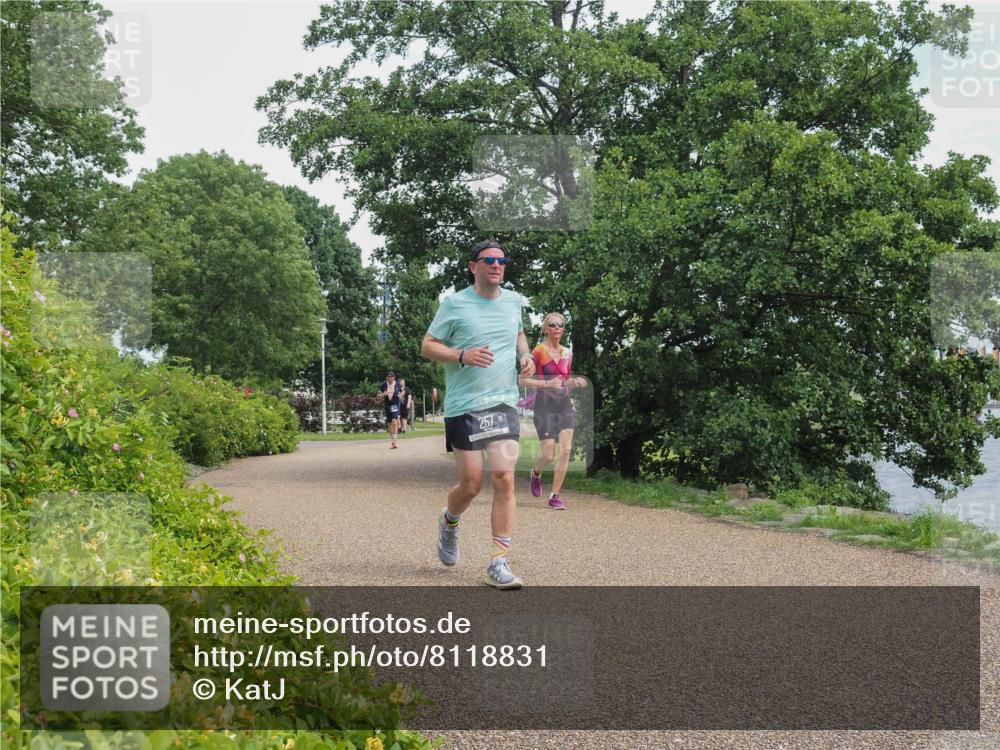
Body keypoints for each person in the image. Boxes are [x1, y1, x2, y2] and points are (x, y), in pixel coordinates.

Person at [421, 239, 535, 589]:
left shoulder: (515, 301)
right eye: (488, 260)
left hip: (503, 401)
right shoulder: (454, 304)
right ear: (473, 267)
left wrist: (525, 355)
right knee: (471, 483)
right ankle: (449, 520)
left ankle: (498, 562)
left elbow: (517, 331)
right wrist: (461, 356)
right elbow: (427, 346)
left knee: (503, 478)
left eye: (502, 261)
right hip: (465, 404)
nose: (496, 265)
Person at [520, 312, 587, 509]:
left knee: (565, 450)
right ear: (546, 328)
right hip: (544, 405)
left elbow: (565, 381)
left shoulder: (568, 353)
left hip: (564, 405)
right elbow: (523, 380)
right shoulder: (539, 351)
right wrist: (548, 382)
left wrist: (575, 381)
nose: (557, 327)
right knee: (548, 455)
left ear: (564, 329)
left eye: (560, 324)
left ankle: (555, 495)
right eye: (552, 324)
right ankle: (536, 472)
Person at [378, 371, 402, 449]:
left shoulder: (398, 385)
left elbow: (403, 391)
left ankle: (395, 441)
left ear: (394, 377)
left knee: (394, 421)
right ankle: (392, 440)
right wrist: (382, 394)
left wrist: (400, 395)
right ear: (386, 378)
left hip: (395, 405)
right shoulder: (383, 385)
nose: (390, 378)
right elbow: (378, 395)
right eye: (388, 377)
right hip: (388, 405)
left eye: (391, 377)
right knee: (389, 423)